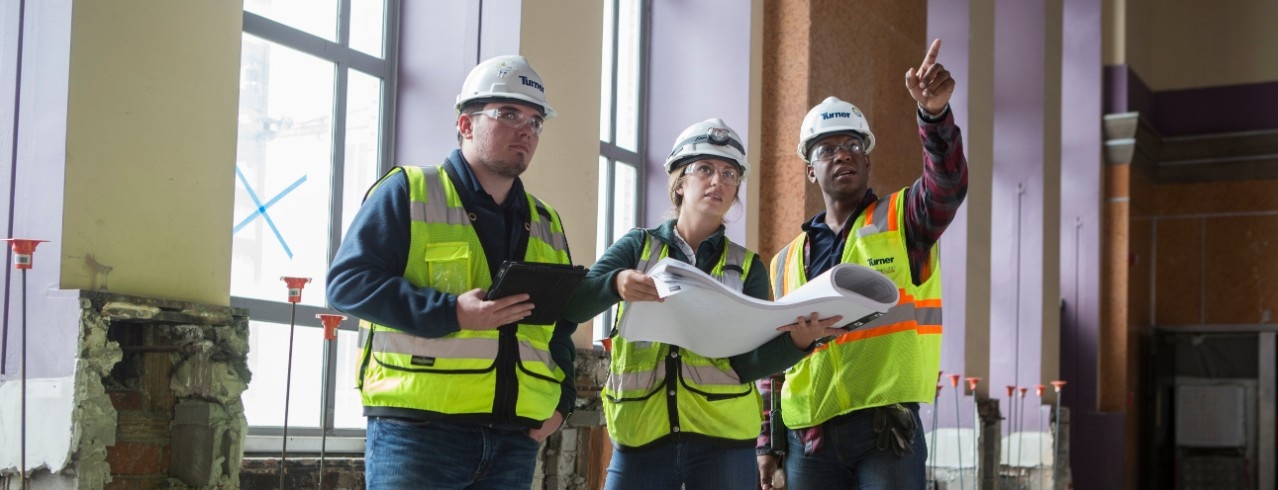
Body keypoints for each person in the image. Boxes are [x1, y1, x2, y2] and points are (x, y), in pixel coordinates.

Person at [326, 55, 577, 489]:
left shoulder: (546, 221)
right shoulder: (408, 191)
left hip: (515, 436)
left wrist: (564, 402)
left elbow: (560, 325)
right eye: (509, 114)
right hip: (420, 434)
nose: (526, 130)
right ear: (465, 125)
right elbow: (347, 285)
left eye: (536, 121)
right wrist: (453, 313)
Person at [562, 118, 846, 490]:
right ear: (679, 182)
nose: (718, 181)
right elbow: (574, 306)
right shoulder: (638, 248)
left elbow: (747, 365)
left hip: (723, 446)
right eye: (705, 169)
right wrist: (615, 284)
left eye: (730, 174)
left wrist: (799, 343)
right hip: (639, 438)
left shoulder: (748, 268)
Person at [756, 39, 969, 489]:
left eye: (852, 144)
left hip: (885, 434)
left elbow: (946, 185)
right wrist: (767, 445)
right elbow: (774, 364)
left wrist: (934, 117)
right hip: (807, 440)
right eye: (827, 149)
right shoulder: (785, 261)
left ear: (867, 158)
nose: (843, 154)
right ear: (810, 169)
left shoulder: (902, 220)